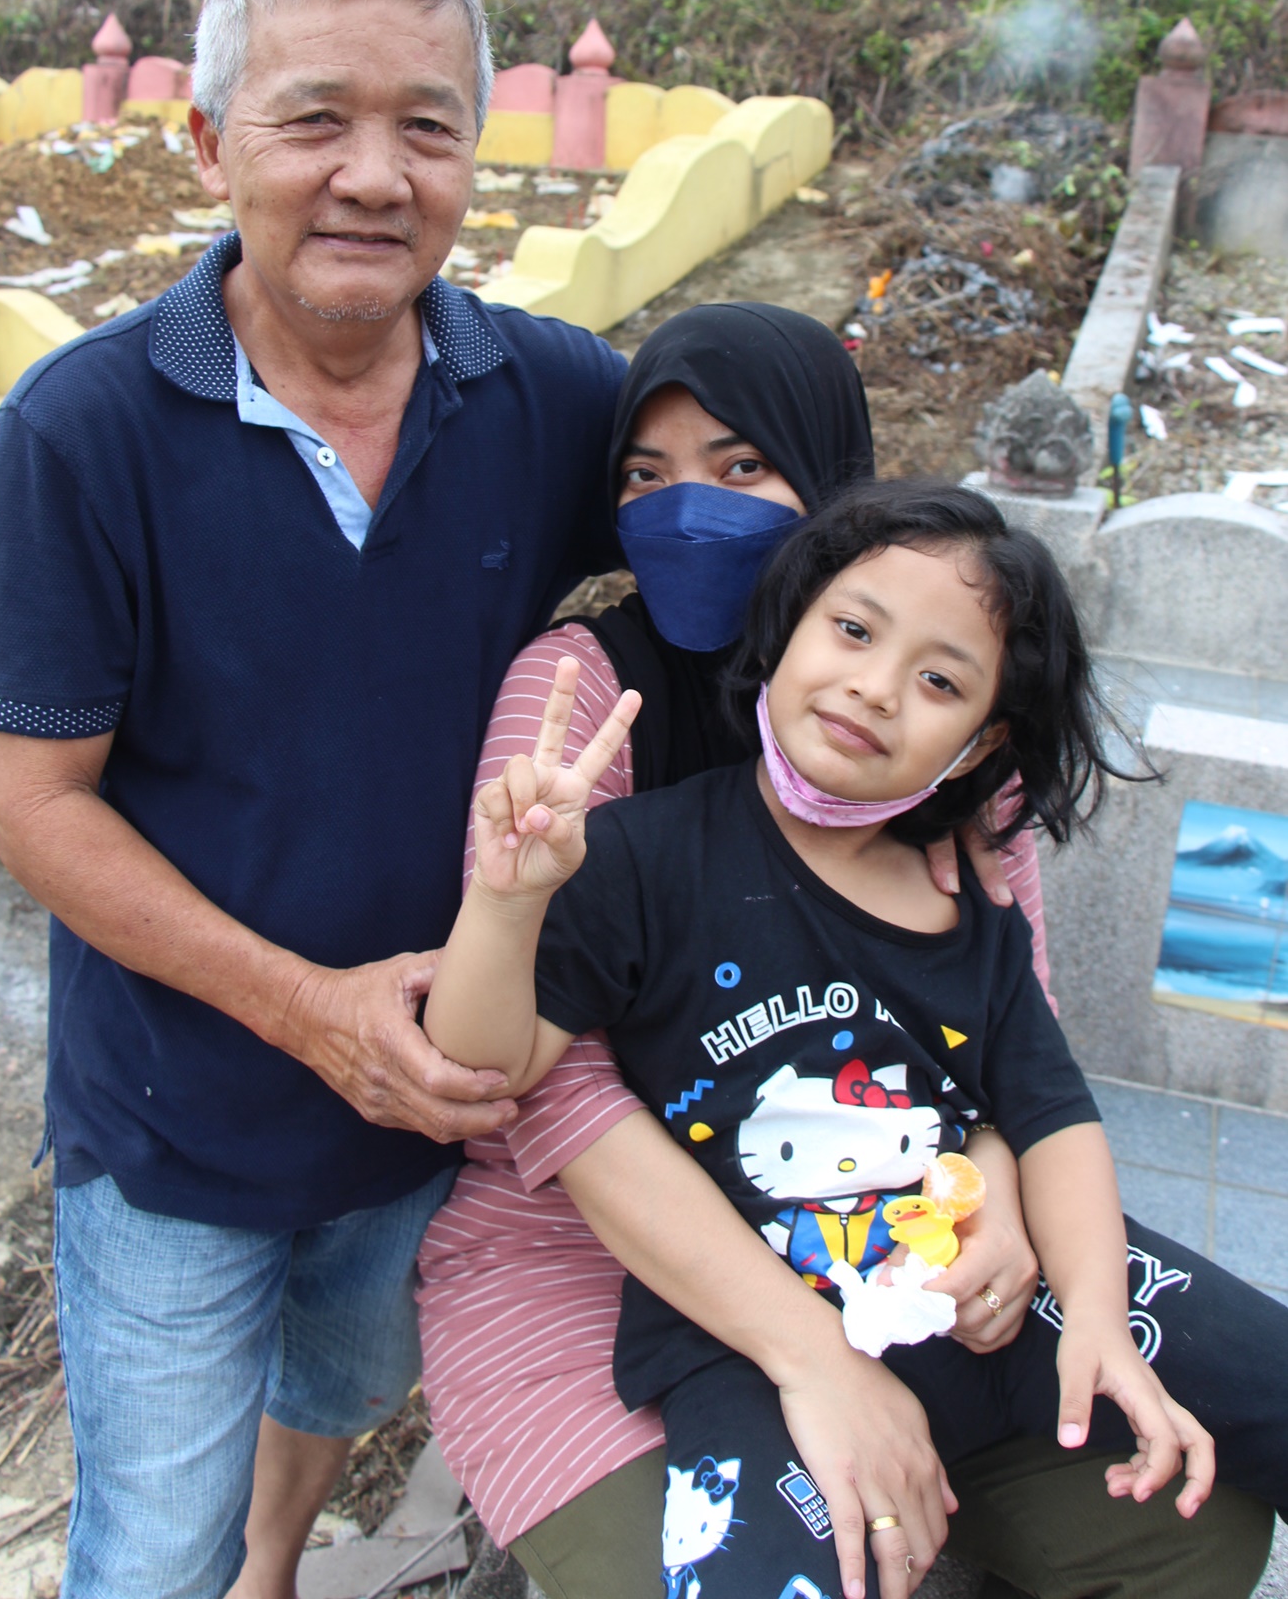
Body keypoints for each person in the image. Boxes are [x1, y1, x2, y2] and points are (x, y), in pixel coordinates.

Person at [0, 0, 628, 1599]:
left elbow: (756, 500)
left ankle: (277, 1561)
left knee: (335, 1386)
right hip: (178, 1126)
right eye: (314, 118)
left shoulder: (549, 400)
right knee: (148, 1549)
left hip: (430, 1116)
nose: (373, 178)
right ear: (208, 144)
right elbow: (36, 806)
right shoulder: (85, 434)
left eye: (427, 129)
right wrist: (312, 1013)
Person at [418, 315, 1271, 1599]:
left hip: (920, 1242)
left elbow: (1025, 1076)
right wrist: (505, 897)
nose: (688, 508)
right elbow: (515, 1073)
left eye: (740, 464)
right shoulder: (603, 771)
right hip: (633, 1277)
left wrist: (1016, 1224)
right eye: (646, 475)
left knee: (1205, 1491)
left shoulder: (951, 810)